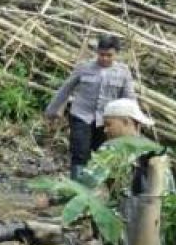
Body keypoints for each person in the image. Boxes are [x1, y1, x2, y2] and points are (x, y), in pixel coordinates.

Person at [45, 35, 136, 180]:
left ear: (116, 54)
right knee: (80, 153)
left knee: (107, 155)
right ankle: (77, 191)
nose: (105, 58)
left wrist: (134, 121)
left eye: (109, 55)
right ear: (97, 52)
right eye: (101, 54)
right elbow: (66, 88)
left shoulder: (123, 72)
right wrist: (52, 111)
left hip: (106, 121)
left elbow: (129, 98)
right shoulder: (84, 68)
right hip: (82, 115)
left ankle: (110, 193)